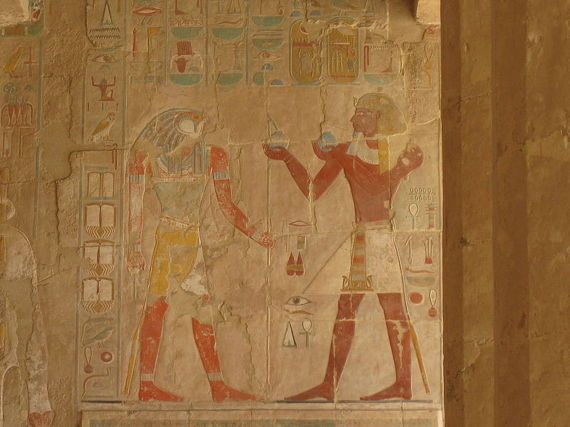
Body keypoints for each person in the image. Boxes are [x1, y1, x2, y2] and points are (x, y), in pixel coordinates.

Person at [264, 93, 423, 401]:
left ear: (378, 118)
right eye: (355, 113)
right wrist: (287, 157)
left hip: (379, 239)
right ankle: (332, 384)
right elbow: (313, 190)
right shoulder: (350, 152)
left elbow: (379, 187)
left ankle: (400, 384)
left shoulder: (386, 149)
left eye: (362, 113)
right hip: (364, 239)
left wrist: (398, 167)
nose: (353, 119)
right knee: (350, 308)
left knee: (391, 310)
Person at [127, 109, 273, 402]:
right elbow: (135, 206)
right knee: (159, 308)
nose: (199, 135)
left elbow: (226, 205)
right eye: (196, 130)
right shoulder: (148, 159)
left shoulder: (213, 156)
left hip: (187, 241)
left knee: (197, 311)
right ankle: (149, 385)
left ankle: (214, 387)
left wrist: (256, 234)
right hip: (168, 241)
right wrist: (133, 246)